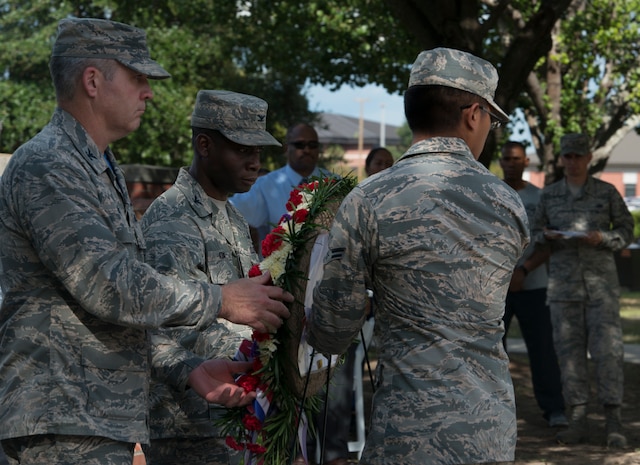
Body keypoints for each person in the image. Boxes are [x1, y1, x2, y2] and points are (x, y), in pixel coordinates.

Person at [0, 18, 291, 465]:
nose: (149, 92)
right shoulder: (48, 164)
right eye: (137, 78)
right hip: (61, 418)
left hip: (93, 418)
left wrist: (189, 368)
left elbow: (133, 313)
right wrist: (219, 300)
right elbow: (108, 283)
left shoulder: (96, 167)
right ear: (93, 81)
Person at [307, 47, 530, 465]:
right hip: (489, 430)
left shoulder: (368, 199)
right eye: (492, 119)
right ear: (473, 114)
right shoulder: (509, 204)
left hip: (406, 434)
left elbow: (334, 330)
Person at [140, 90, 281, 465]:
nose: (255, 163)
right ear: (205, 144)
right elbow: (167, 327)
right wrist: (263, 352)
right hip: (189, 426)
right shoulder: (173, 219)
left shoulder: (232, 216)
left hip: (231, 415)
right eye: (243, 150)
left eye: (259, 153)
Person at [530, 133, 634, 448]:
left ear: (589, 158)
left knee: (609, 354)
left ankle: (613, 422)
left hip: (600, 288)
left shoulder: (606, 192)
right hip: (563, 288)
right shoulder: (549, 196)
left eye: (578, 155)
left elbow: (627, 230)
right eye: (568, 156)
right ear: (561, 158)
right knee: (570, 356)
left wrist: (604, 238)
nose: (572, 161)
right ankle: (577, 421)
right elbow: (533, 233)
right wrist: (546, 236)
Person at [499, 141, 567, 428]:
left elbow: (551, 242)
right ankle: (495, 412)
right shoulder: (490, 192)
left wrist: (524, 270)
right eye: (507, 159)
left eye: (517, 159)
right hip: (495, 287)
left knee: (542, 350)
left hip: (534, 284)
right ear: (500, 162)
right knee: (491, 351)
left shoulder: (540, 198)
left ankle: (554, 410)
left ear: (527, 161)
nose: (511, 163)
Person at [230, 123, 331, 253]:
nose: (307, 150)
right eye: (300, 145)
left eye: (312, 145)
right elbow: (230, 210)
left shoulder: (335, 183)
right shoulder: (266, 186)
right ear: (286, 148)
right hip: (280, 271)